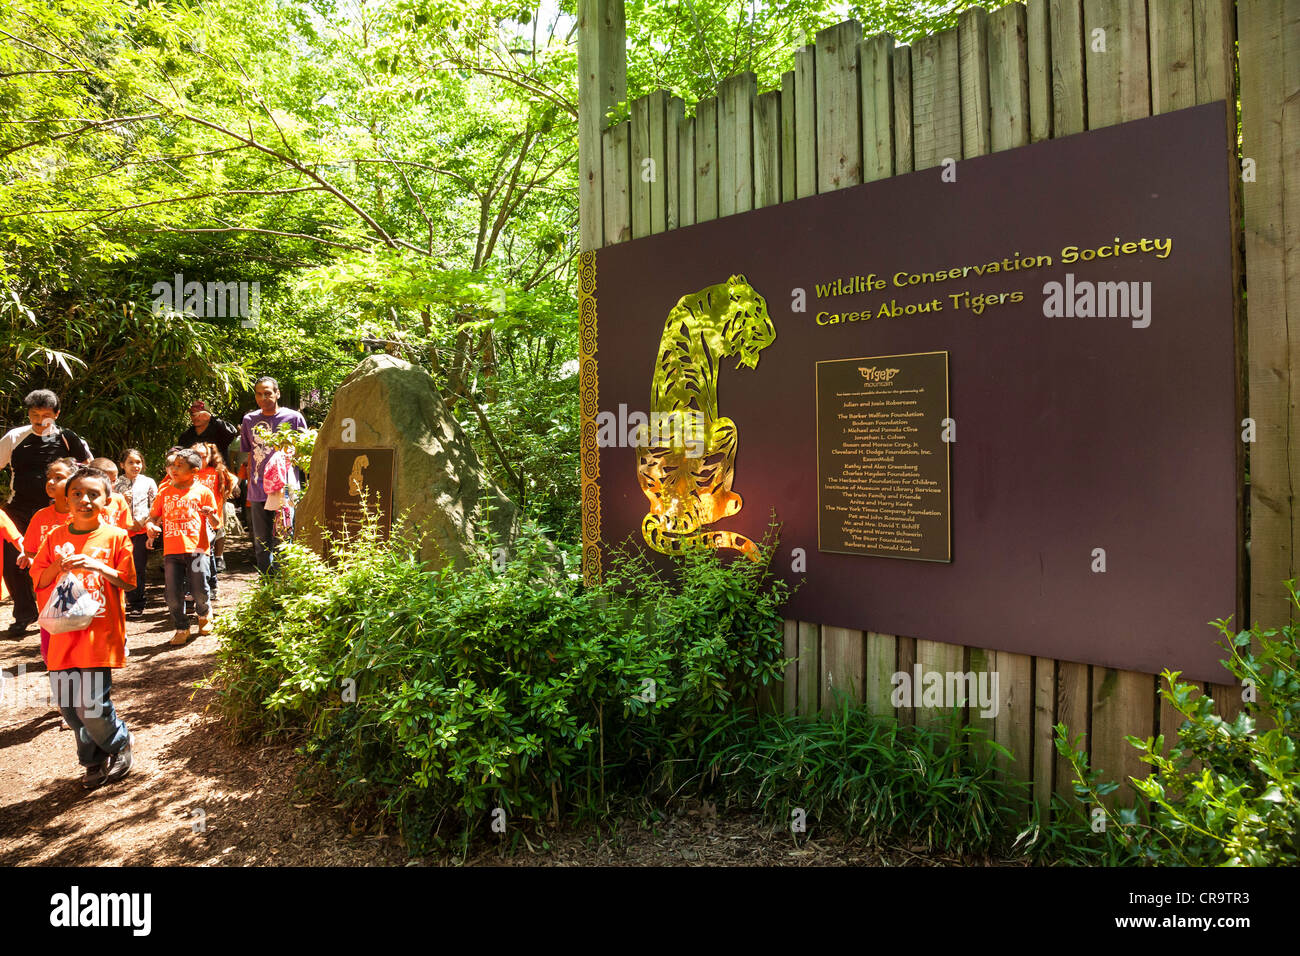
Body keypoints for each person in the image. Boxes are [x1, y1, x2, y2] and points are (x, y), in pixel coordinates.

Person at [31, 465, 136, 789]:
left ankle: (119, 743)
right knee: (71, 710)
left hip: (98, 636)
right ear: (67, 498)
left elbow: (128, 582)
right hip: (61, 636)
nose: (84, 500)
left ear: (107, 500)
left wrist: (98, 565)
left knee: (91, 707)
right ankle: (93, 760)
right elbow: (39, 579)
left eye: (94, 494)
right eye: (77, 493)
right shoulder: (55, 537)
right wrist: (58, 567)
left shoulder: (116, 537)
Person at [0, 390, 92, 637]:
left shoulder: (68, 438)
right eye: (34, 415)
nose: (40, 421)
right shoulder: (15, 437)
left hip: (59, 511)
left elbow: (88, 471)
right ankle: (24, 613)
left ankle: (66, 611)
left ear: (57, 414)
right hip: (19, 508)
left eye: (46, 415)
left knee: (58, 561)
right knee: (13, 562)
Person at [145, 449, 219, 645]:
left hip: (197, 550)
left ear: (194, 471)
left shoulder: (203, 491)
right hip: (172, 551)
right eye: (173, 465)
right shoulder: (164, 493)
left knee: (199, 590)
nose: (174, 468)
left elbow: (217, 523)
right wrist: (151, 525)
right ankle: (181, 627)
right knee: (172, 594)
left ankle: (204, 614)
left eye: (180, 466)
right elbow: (152, 517)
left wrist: (210, 514)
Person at [239, 377, 305, 574]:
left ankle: (284, 585)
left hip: (284, 489)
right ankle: (266, 586)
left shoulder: (294, 418)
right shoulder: (249, 420)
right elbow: (249, 453)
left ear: (277, 393)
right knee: (261, 543)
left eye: (267, 393)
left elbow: (304, 451)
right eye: (259, 394)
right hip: (258, 489)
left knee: (284, 540)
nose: (263, 397)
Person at [22, 458, 77, 662]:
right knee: (52, 645)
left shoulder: (81, 517)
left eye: (59, 477)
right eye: (49, 478)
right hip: (47, 592)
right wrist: (26, 556)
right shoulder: (40, 516)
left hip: (77, 590)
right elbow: (29, 550)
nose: (51, 482)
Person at [115, 449, 157, 617]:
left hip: (140, 530)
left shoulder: (148, 482)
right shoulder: (116, 483)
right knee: (121, 567)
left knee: (138, 567)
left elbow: (155, 506)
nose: (135, 466)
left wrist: (146, 522)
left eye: (138, 462)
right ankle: (121, 600)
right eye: (130, 462)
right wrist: (121, 498)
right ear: (122, 465)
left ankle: (137, 603)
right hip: (121, 532)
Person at [191, 442, 237, 591]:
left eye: (204, 456)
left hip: (212, 520)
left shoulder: (216, 471)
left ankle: (211, 585)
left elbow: (233, 481)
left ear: (209, 456)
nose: (200, 459)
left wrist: (223, 497)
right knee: (198, 553)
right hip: (192, 521)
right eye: (197, 456)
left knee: (207, 553)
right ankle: (200, 586)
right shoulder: (188, 471)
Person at [177, 400, 240, 465]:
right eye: (193, 414)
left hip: (217, 473)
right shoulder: (186, 436)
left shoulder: (219, 431)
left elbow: (232, 433)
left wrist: (212, 418)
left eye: (201, 414)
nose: (196, 417)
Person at [89, 458, 131, 531]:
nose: (110, 485)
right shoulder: (84, 500)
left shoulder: (119, 499)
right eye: (106, 481)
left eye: (114, 481)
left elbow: (124, 529)